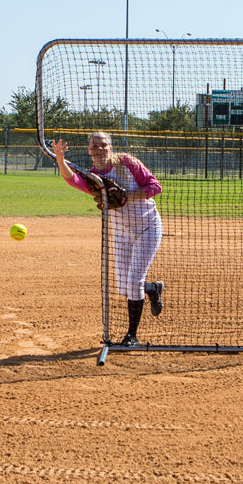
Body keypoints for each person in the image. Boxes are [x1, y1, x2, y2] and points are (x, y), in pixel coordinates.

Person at [51, 131, 164, 347]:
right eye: (94, 146)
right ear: (89, 151)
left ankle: (132, 336)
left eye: (103, 145)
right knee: (124, 287)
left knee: (133, 282)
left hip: (147, 227)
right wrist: (59, 159)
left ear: (110, 147)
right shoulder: (93, 177)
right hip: (122, 233)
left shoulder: (126, 163)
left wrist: (125, 195)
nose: (99, 149)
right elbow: (73, 179)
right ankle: (153, 288)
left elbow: (155, 187)